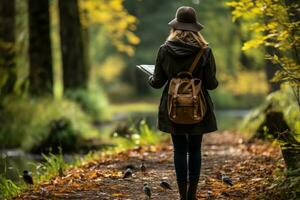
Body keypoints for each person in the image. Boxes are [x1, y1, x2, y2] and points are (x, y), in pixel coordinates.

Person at [148, 6, 218, 200]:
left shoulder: (164, 49)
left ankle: (181, 196)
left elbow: (157, 83)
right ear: (195, 28)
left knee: (179, 149)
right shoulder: (205, 51)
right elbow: (211, 85)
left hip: (173, 106)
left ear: (175, 27)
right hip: (198, 106)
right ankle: (192, 196)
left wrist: (151, 78)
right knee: (195, 148)